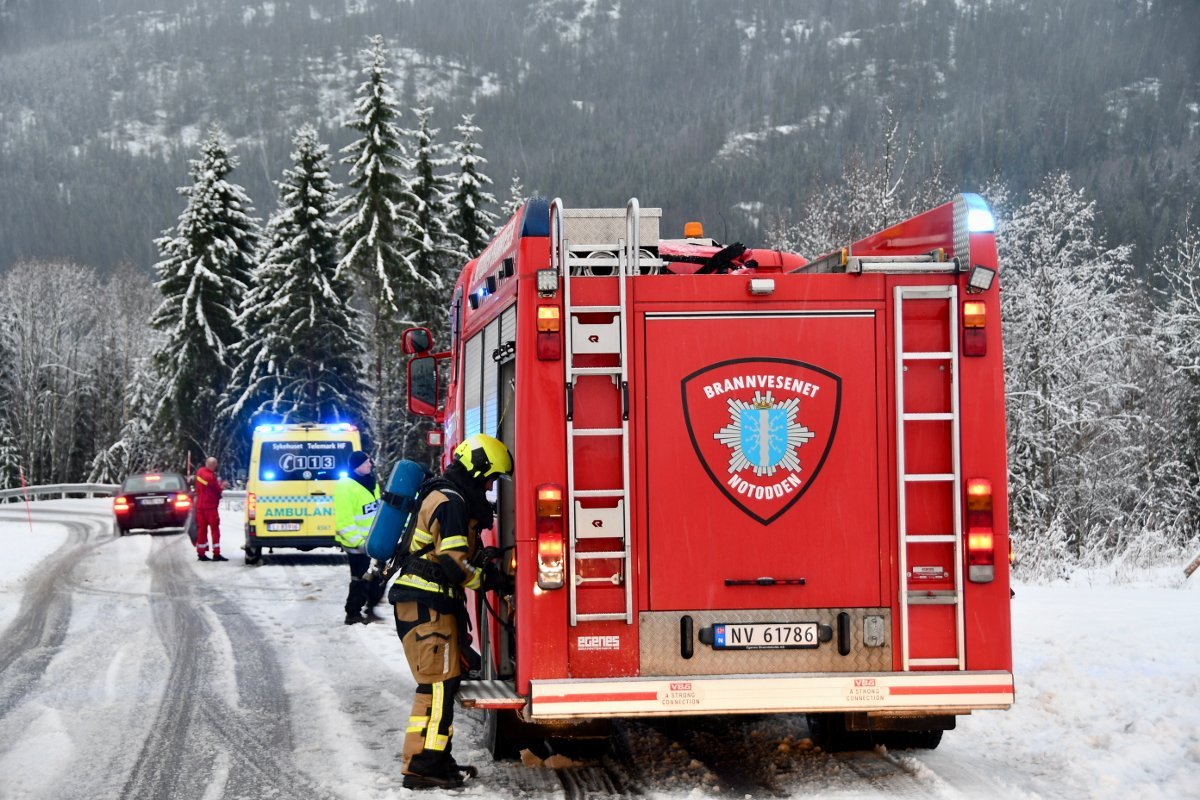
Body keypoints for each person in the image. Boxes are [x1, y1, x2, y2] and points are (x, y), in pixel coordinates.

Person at [390, 433, 513, 790]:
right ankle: (425, 765)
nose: (489, 488)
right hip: (428, 605)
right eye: (489, 479)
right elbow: (452, 565)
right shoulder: (452, 502)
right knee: (440, 685)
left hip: (429, 604)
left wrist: (481, 561)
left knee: (441, 682)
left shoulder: (447, 494)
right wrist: (489, 578)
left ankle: (430, 758)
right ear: (478, 471)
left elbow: (452, 553)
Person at [333, 450, 385, 625]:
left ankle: (371, 608)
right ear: (357, 466)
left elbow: (376, 511)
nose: (370, 464)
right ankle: (353, 613)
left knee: (379, 576)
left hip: (374, 541)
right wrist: (359, 543)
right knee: (360, 579)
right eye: (366, 462)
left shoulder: (371, 483)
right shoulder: (345, 486)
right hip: (358, 544)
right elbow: (343, 521)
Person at [194, 456, 228, 561]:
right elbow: (217, 490)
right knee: (215, 530)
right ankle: (216, 554)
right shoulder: (210, 477)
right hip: (210, 507)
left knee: (202, 531)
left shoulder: (199, 472)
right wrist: (223, 486)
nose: (215, 467)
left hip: (200, 507)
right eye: (215, 465)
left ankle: (201, 553)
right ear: (212, 465)